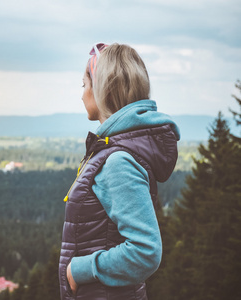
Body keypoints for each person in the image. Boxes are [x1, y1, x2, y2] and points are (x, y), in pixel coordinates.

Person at [58, 43, 180, 300]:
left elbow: (145, 251)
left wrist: (80, 269)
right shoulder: (112, 151)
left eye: (84, 85)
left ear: (103, 89)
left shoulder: (117, 161)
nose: (82, 95)